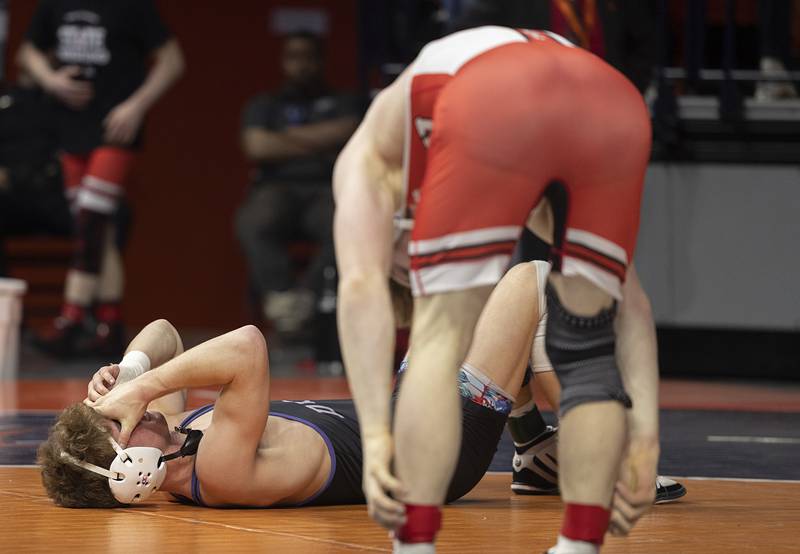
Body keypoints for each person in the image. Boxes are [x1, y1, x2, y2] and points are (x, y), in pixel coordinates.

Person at [333, 25, 658, 553]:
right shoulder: (522, 185)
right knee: (588, 339)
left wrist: (375, 438)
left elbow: (361, 288)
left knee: (440, 336)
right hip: (612, 98)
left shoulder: (364, 160)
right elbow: (633, 305)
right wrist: (645, 434)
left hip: (494, 96)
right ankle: (579, 546)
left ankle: (413, 544)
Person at [39, 261, 682, 519]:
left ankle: (541, 453)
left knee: (458, 295)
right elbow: (248, 346)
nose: (135, 409)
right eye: (120, 421)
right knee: (535, 281)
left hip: (411, 412)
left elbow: (166, 333)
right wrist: (145, 385)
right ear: (136, 467)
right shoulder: (217, 469)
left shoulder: (174, 437)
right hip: (435, 452)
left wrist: (127, 373)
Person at [17, 0, 184, 358]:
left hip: (114, 130)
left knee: (92, 219)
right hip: (69, 128)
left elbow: (173, 61)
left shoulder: (132, 7)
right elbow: (27, 51)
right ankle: (109, 323)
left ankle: (72, 316)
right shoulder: (55, 5)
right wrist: (51, 80)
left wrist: (136, 106)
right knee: (96, 231)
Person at [235, 31, 359, 335]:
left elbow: (349, 129)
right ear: (283, 62)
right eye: (293, 57)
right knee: (252, 221)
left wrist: (283, 138)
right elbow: (256, 146)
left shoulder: (343, 101)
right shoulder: (265, 104)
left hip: (326, 188)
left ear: (320, 60)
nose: (301, 65)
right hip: (277, 188)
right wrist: (320, 139)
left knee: (350, 223)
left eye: (308, 57)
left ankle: (309, 300)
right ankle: (283, 299)